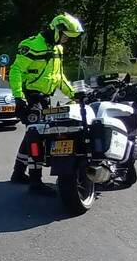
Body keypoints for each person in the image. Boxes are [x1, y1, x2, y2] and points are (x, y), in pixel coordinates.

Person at [9, 13, 83, 193]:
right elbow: (16, 71)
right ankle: (35, 182)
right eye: (65, 36)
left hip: (45, 98)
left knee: (31, 134)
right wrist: (19, 98)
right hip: (31, 97)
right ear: (57, 30)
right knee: (36, 135)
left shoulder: (58, 49)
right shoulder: (31, 45)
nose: (66, 40)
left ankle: (18, 173)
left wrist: (74, 94)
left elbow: (59, 77)